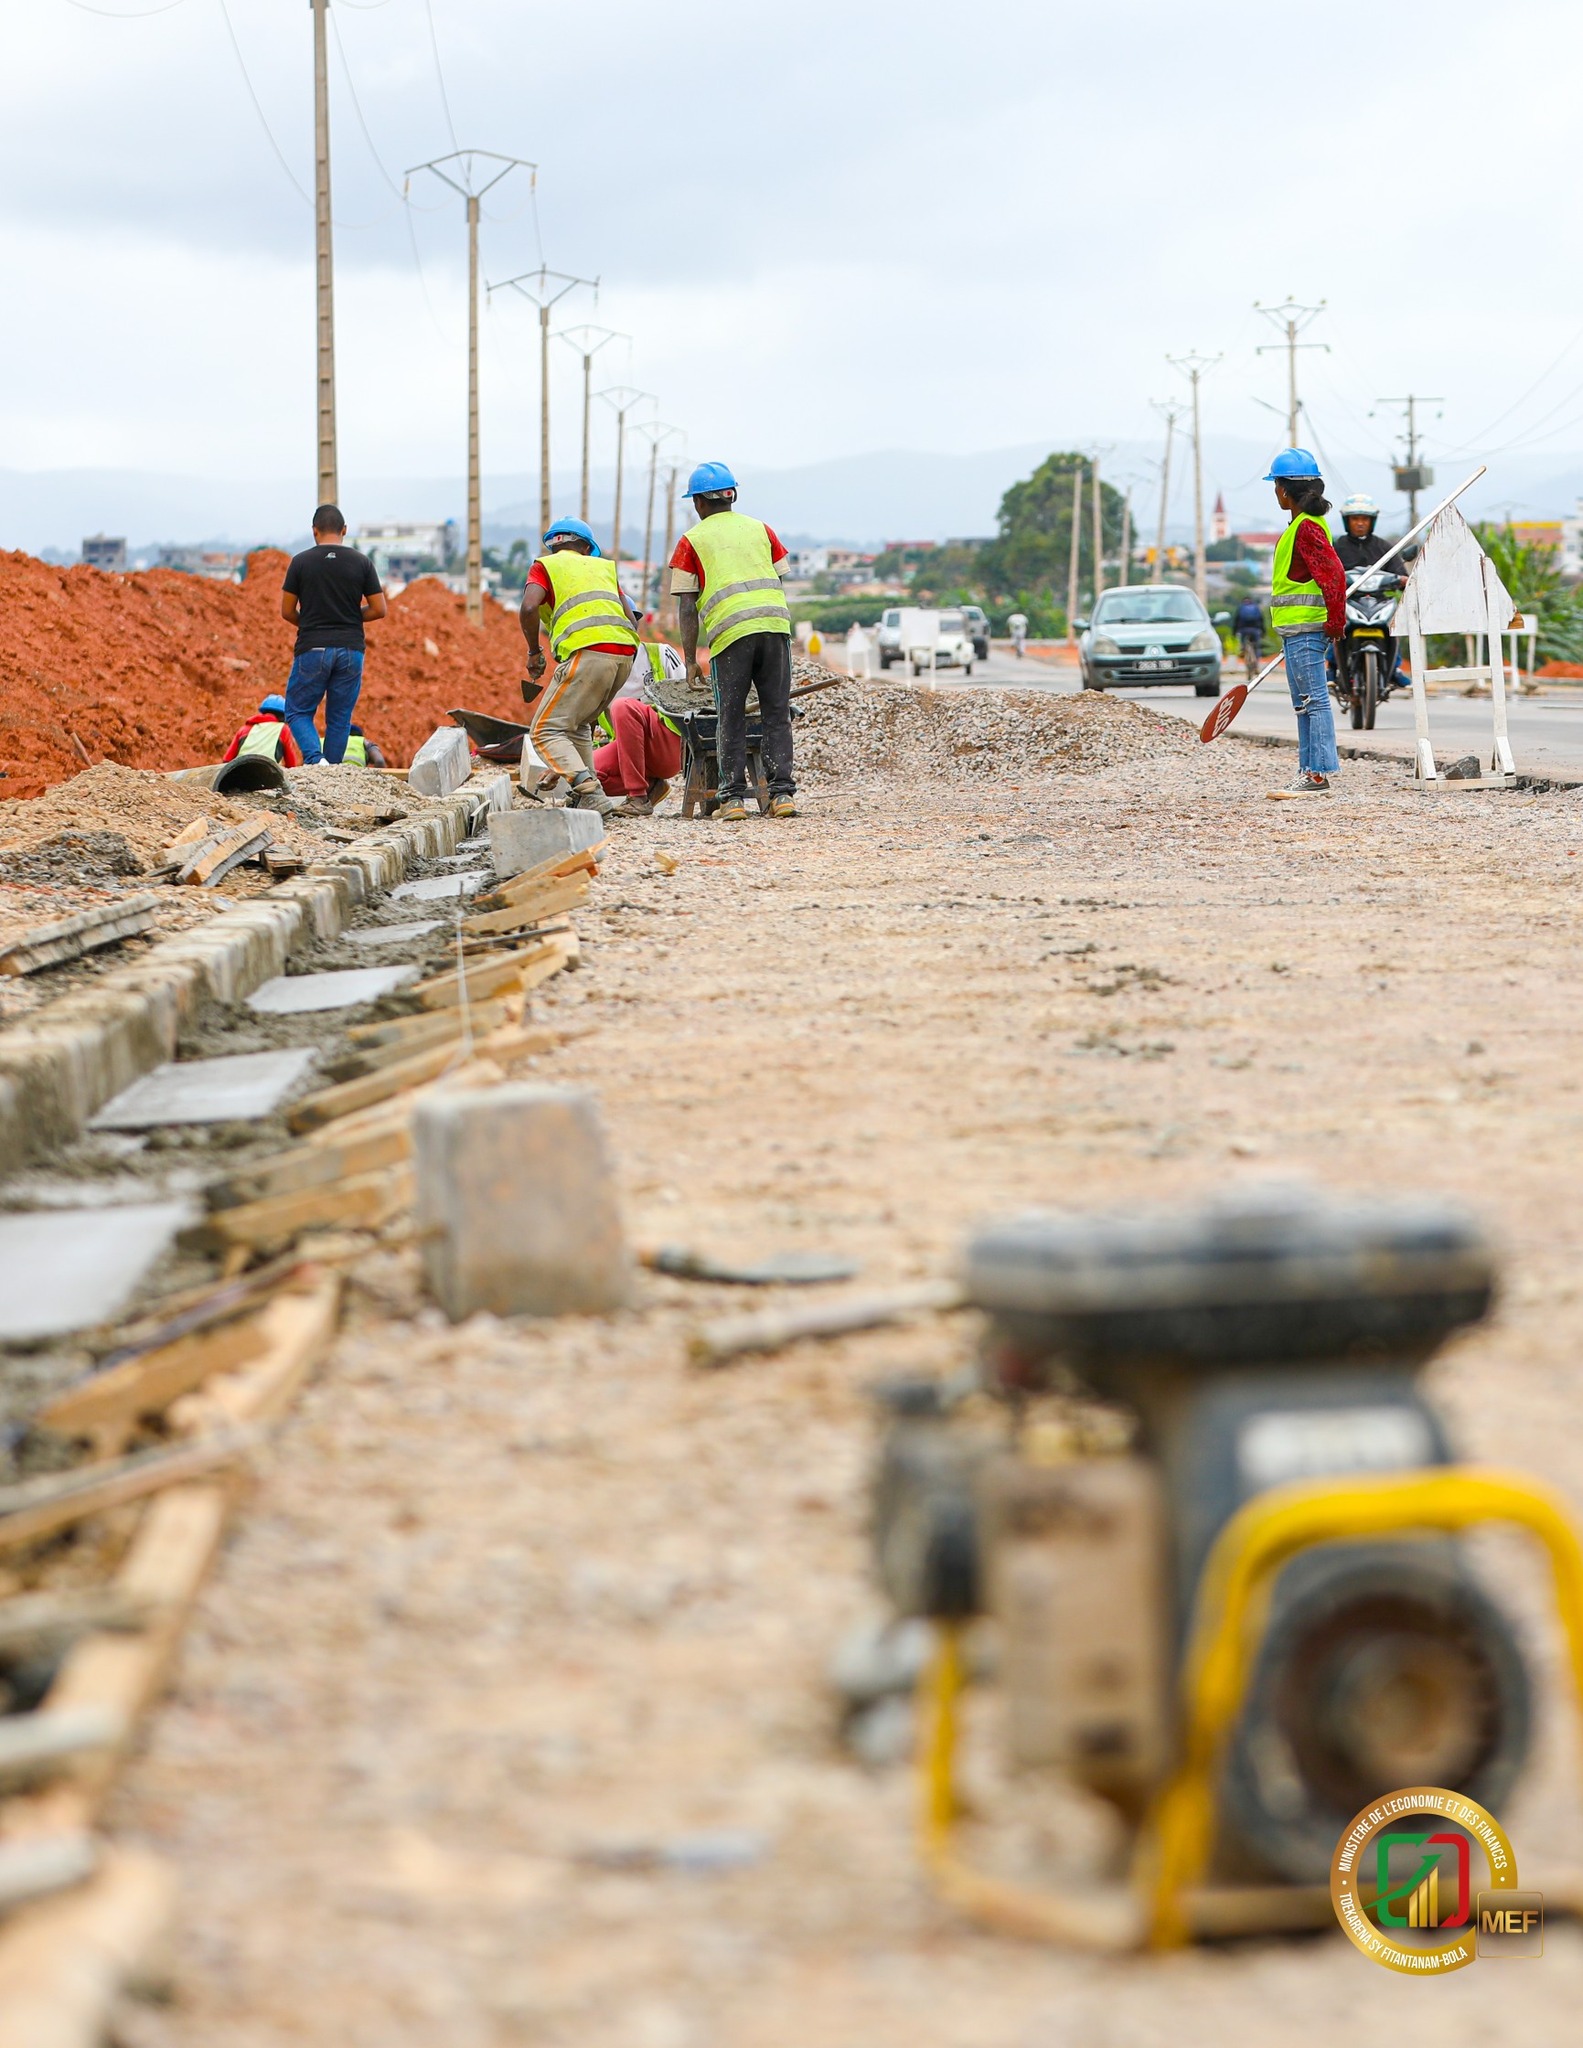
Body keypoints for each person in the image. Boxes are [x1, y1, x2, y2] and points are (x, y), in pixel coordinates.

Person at [670, 460, 796, 822]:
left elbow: (687, 605)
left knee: (730, 716)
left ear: (698, 502)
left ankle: (732, 799)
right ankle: (781, 795)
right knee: (776, 712)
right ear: (732, 495)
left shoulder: (692, 540)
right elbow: (778, 578)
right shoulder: (761, 529)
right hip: (774, 627)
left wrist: (690, 659)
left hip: (731, 635)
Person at [519, 516, 641, 817]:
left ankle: (587, 789)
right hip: (624, 653)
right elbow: (632, 619)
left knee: (545, 730)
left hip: (589, 653)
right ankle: (589, 796)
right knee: (579, 725)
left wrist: (534, 652)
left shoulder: (545, 566)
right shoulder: (604, 568)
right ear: (586, 547)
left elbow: (529, 607)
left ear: (553, 544)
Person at [1263, 449, 1345, 798]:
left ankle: (1317, 774)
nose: (1275, 493)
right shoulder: (1300, 526)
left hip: (1307, 629)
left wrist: (1336, 623)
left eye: (1275, 486)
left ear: (1284, 491)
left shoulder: (1307, 528)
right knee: (1303, 704)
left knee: (1314, 701)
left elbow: (1334, 575)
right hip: (1296, 630)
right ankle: (1307, 770)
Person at [280, 505, 386, 765]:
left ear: (314, 531)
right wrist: (348, 616)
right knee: (339, 718)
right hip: (351, 649)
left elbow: (287, 611)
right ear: (344, 530)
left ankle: (316, 760)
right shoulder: (362, 562)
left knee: (297, 711)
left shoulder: (300, 562)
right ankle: (332, 770)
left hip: (312, 647)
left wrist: (311, 623)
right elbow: (378, 609)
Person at [594, 642, 686, 814]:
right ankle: (652, 786)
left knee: (622, 706)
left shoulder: (661, 653)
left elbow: (688, 698)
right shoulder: (598, 667)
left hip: (666, 745)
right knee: (589, 776)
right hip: (629, 753)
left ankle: (637, 797)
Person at [222, 692, 303, 768]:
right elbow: (291, 764)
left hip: (240, 770)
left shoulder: (244, 729)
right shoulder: (283, 729)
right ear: (283, 716)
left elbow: (227, 759)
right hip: (268, 773)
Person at [1232, 593, 1265, 675]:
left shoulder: (1241, 608)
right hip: (1255, 630)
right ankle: (1256, 665)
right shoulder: (1256, 607)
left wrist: (1234, 632)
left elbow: (1236, 621)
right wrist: (1263, 631)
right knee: (1256, 647)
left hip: (1243, 630)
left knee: (1243, 645)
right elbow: (1261, 620)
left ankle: (1243, 650)